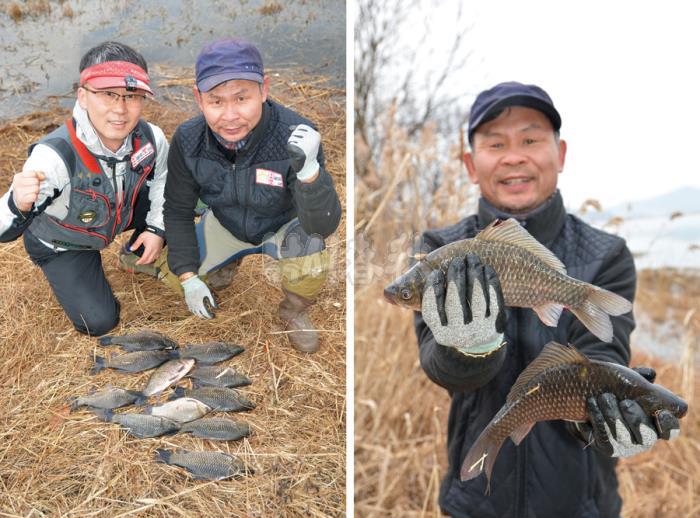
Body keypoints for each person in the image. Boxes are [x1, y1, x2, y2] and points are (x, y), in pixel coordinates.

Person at [412, 82, 682, 517]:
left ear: (561, 154)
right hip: (474, 500)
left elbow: (599, 354)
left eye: (531, 140)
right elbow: (442, 371)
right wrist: (472, 344)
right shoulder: (440, 248)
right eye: (496, 143)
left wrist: (607, 417)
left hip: (580, 503)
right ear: (470, 164)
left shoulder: (605, 254)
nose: (514, 156)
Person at [162, 38, 341, 353]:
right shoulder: (187, 139)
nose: (230, 115)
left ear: (264, 90)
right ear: (198, 99)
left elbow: (323, 227)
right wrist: (189, 277)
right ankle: (224, 267)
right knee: (173, 277)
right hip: (225, 222)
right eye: (216, 101)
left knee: (311, 253)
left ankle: (294, 310)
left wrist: (310, 172)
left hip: (281, 225)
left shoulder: (297, 133)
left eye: (241, 98)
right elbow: (177, 210)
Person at [0, 41, 168, 336]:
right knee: (100, 322)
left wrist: (156, 230)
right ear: (83, 95)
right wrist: (17, 204)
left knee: (192, 197)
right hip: (66, 241)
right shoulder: (53, 157)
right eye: (107, 95)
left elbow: (164, 181)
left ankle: (135, 250)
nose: (120, 109)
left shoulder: (151, 138)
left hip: (116, 212)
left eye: (132, 96)